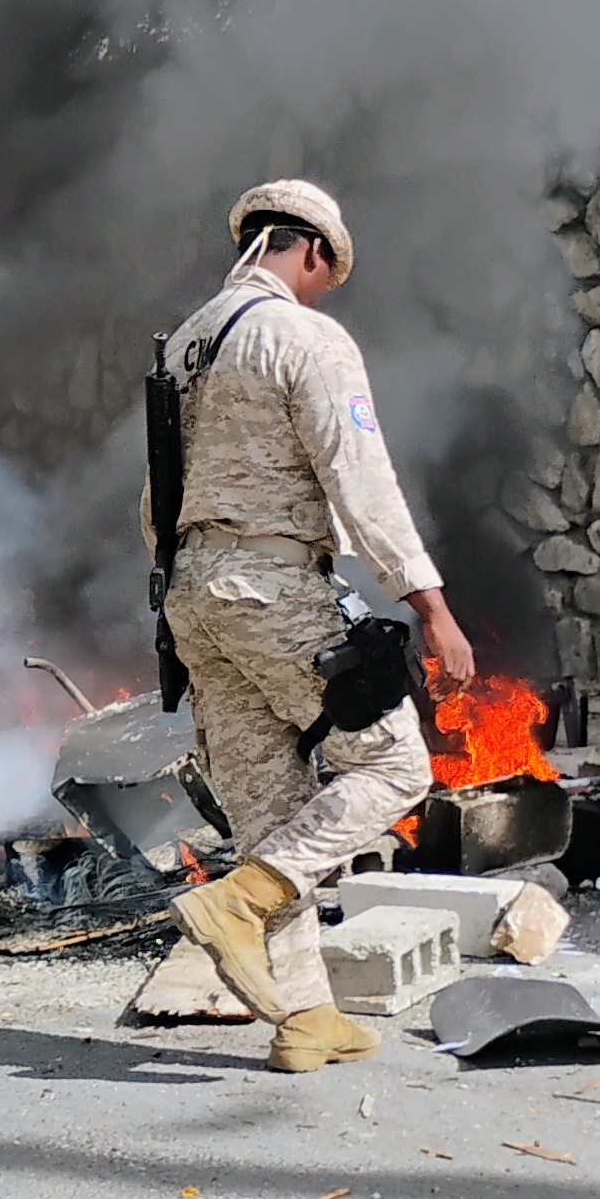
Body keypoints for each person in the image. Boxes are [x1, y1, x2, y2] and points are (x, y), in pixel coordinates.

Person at [151, 180, 473, 1074]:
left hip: (192, 596)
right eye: (329, 274)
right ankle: (238, 901)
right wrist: (431, 606)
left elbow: (156, 498)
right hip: (272, 583)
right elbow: (359, 478)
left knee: (272, 816)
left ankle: (304, 1022)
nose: (327, 290)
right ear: (312, 252)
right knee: (397, 763)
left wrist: (183, 597)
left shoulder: (186, 344)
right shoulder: (303, 334)